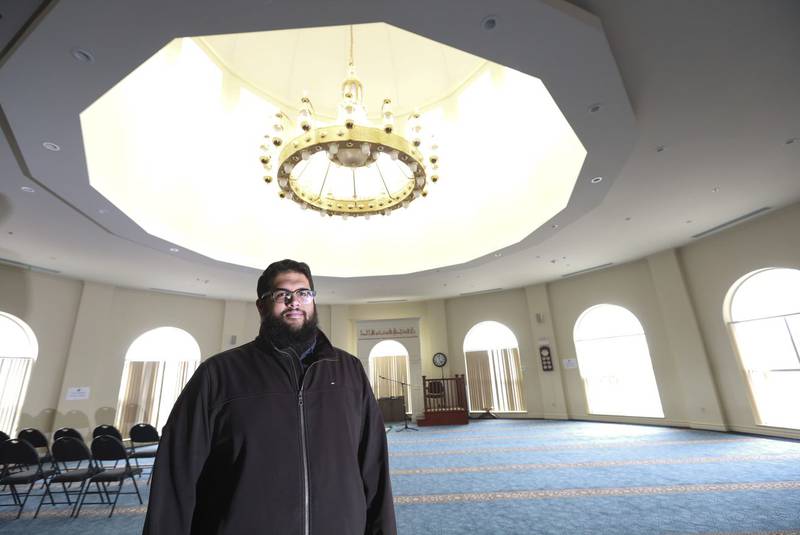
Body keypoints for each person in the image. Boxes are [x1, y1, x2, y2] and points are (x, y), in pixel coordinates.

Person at [143, 259, 396, 534]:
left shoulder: (350, 371)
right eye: (281, 295)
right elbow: (176, 476)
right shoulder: (218, 375)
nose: (294, 302)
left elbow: (374, 468)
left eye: (303, 293)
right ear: (261, 305)